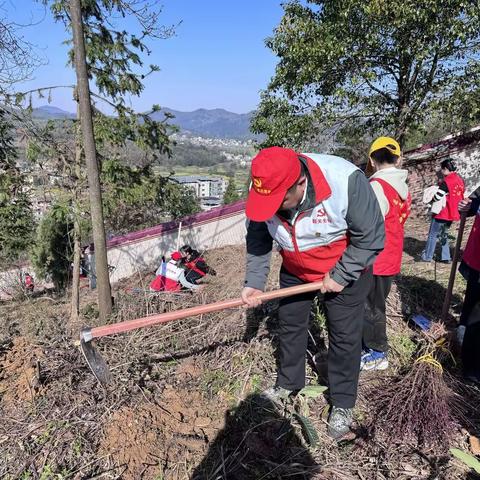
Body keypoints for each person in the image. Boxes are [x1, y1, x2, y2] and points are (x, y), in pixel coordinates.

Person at [241, 146, 385, 439]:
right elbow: (257, 238)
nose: (272, 209)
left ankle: (343, 402)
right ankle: (288, 382)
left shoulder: (344, 180)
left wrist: (342, 274)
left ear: (301, 184)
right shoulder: (266, 188)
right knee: (290, 324)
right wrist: (255, 281)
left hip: (345, 269)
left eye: (279, 202)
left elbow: (371, 237)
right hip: (296, 268)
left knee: (344, 337)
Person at [360, 137, 411, 371]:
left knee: (370, 307)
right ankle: (373, 347)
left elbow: (367, 225)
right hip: (391, 256)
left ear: (371, 159)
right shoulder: (403, 187)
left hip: (375, 259)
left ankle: (377, 352)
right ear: (398, 159)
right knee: (376, 303)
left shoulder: (376, 187)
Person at [421, 159, 465, 263]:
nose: (441, 171)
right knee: (444, 235)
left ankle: (427, 256)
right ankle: (446, 257)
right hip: (453, 212)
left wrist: (430, 199)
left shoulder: (447, 181)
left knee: (433, 234)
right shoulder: (459, 180)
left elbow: (437, 197)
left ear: (445, 168)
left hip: (442, 212)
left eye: (442, 169)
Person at [458, 187, 480, 383]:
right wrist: (467, 206)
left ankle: (473, 369)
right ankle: (462, 335)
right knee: (471, 301)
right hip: (476, 257)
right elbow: (472, 204)